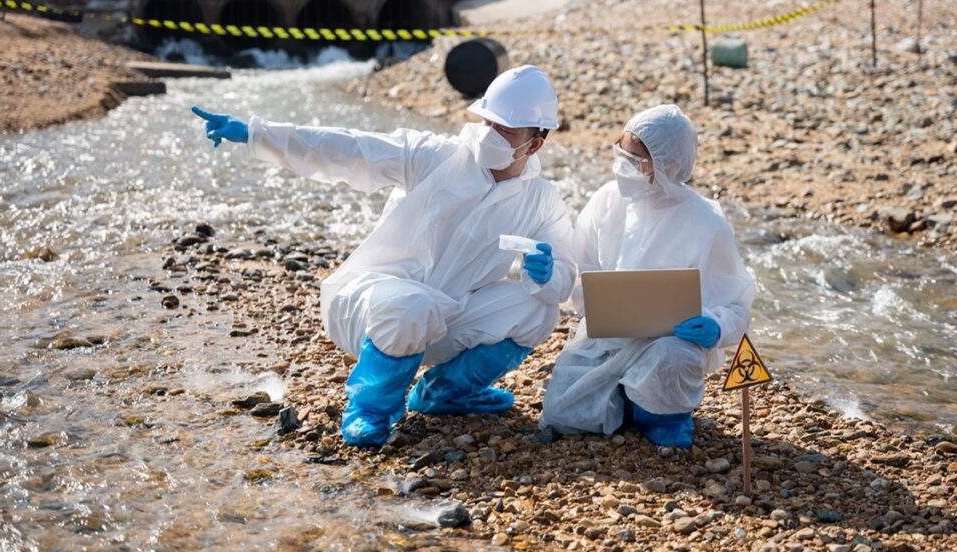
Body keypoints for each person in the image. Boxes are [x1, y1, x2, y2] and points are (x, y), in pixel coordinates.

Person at [191, 65, 575, 447]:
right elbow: (348, 148)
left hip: (444, 320)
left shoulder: (541, 202)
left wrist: (547, 274)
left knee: (536, 309)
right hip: (369, 308)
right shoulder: (434, 157)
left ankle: (445, 394)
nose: (489, 134)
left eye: (505, 130)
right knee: (413, 305)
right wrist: (256, 134)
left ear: (535, 143)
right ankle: (369, 410)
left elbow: (565, 273)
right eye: (487, 122)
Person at [540, 105, 755, 448]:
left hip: (668, 343)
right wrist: (554, 277)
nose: (623, 168)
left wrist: (716, 326)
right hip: (607, 338)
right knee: (561, 415)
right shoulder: (607, 201)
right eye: (620, 153)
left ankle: (663, 416)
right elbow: (582, 275)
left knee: (674, 358)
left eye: (636, 161)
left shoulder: (706, 222)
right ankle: (629, 399)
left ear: (669, 165)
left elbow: (735, 303)